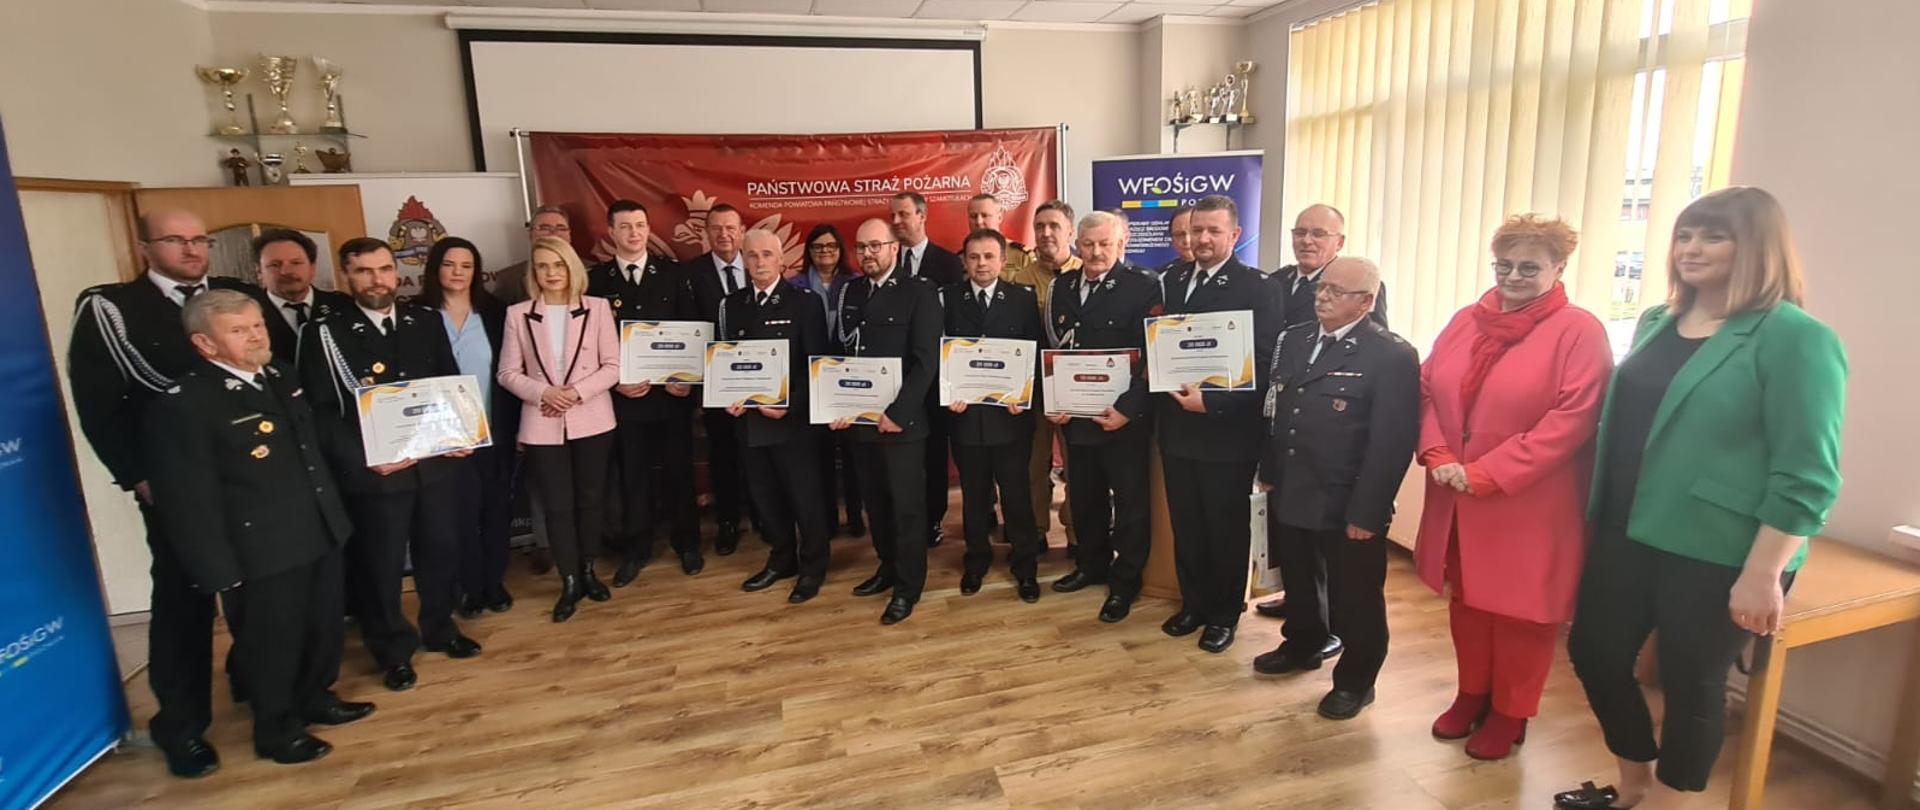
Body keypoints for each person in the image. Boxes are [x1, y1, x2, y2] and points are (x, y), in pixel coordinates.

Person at [1555, 188, 1847, 810]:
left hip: (1721, 549)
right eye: (1684, 235)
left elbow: (1808, 475)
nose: (1691, 248)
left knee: (1692, 683)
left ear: (1758, 247)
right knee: (1595, 653)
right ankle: (1634, 782)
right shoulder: (1657, 322)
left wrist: (1763, 574)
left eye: (1713, 236)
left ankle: (1669, 802)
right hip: (1627, 528)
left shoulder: (1795, 338)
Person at [67, 208, 273, 778]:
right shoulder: (113, 308)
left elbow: (267, 373)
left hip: (255, 475)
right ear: (145, 248)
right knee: (185, 598)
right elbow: (99, 404)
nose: (191, 250)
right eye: (175, 240)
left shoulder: (234, 295)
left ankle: (262, 688)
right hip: (175, 481)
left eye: (199, 239)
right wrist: (137, 475)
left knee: (261, 589)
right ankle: (181, 726)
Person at [143, 290, 373, 767]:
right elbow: (188, 499)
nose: (254, 336)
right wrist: (216, 569)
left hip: (317, 527)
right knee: (272, 644)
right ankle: (277, 729)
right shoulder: (187, 403)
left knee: (322, 627)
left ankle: (315, 697)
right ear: (205, 343)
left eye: (257, 325)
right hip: (260, 546)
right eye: (238, 330)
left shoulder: (280, 375)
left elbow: (309, 453)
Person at [1414, 215, 1613, 761]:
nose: (1513, 277)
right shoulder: (1465, 320)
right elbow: (1425, 389)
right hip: (1456, 493)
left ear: (1559, 268)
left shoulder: (1580, 331)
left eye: (1529, 268)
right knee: (1469, 604)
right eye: (1504, 265)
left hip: (1529, 501)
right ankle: (1471, 694)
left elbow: (1572, 419)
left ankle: (1511, 711)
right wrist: (1437, 453)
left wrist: (1485, 473)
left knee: (1523, 614)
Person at [300, 237, 481, 693]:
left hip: (433, 464)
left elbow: (448, 382)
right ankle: (392, 650)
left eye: (384, 269)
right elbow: (320, 412)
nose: (377, 280)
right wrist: (366, 459)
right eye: (364, 271)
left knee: (440, 550)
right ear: (346, 275)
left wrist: (462, 433)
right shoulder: (324, 332)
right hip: (377, 473)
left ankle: (440, 627)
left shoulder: (424, 320)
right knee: (380, 565)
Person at [1252, 256, 1419, 722]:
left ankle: (1356, 681)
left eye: (1336, 292)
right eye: (1322, 288)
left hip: (1346, 496)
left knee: (1356, 598)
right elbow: (1277, 408)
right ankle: (1303, 643)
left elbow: (1391, 443)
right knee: (1300, 579)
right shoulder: (1295, 338)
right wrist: (1270, 469)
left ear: (1365, 302)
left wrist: (1368, 513)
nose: (1322, 296)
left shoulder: (1390, 355)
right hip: (1294, 483)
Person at [1155, 195, 1284, 654]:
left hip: (1226, 432)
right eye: (1196, 230)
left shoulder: (1258, 288)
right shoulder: (1171, 280)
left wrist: (1212, 403)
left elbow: (1267, 365)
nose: (1202, 239)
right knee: (1187, 524)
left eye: (1213, 230)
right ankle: (1193, 605)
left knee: (1225, 529)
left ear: (1234, 235)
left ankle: (1224, 615)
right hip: (1176, 428)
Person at [1253, 203, 1390, 621]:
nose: (1307, 241)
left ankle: (1327, 622)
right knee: (1293, 546)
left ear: (1338, 241)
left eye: (1318, 234)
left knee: (1338, 563)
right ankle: (1301, 614)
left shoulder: (1363, 289)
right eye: (1300, 232)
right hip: (1286, 432)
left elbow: (1368, 358)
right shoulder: (1278, 282)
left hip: (1333, 447)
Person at [1044, 211, 1162, 623]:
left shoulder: (1144, 286)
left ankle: (1125, 581)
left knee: (1130, 504)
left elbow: (1153, 353)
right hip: (1078, 416)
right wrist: (1055, 399)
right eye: (1088, 244)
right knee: (1085, 497)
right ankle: (1091, 565)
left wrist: (1129, 409)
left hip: (1123, 418)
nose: (1095, 252)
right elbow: (1054, 349)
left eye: (1105, 244)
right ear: (1076, 244)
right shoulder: (1061, 287)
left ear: (1121, 244)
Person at [498, 236, 622, 622]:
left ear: (572, 268)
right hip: (542, 421)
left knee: (590, 501)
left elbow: (613, 366)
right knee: (557, 506)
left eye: (558, 265)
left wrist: (575, 393)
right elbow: (506, 372)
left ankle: (588, 571)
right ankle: (568, 580)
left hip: (592, 419)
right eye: (542, 266)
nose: (551, 273)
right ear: (533, 272)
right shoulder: (518, 314)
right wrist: (544, 393)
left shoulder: (597, 308)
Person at [585, 200, 703, 582]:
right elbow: (589, 344)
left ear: (649, 229)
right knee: (633, 476)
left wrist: (688, 379)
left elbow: (692, 329)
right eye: (625, 226)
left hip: (671, 396)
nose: (633, 233)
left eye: (639, 225)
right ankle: (637, 549)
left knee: (679, 472)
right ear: (611, 232)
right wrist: (614, 381)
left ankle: (688, 543)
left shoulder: (673, 274)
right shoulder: (596, 281)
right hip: (626, 398)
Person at [832, 218, 942, 624]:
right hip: (861, 421)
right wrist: (836, 404)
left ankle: (908, 586)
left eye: (875, 246)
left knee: (907, 507)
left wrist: (899, 413)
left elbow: (926, 361)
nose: (867, 254)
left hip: (901, 422)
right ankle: (887, 567)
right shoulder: (851, 291)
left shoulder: (920, 292)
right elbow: (841, 354)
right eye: (861, 247)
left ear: (894, 248)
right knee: (875, 502)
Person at [719, 230, 832, 603]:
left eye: (767, 254)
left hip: (792, 423)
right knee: (766, 499)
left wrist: (791, 404)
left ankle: (813, 566)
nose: (760, 261)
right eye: (752, 255)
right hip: (750, 424)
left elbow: (817, 365)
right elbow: (727, 361)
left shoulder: (805, 303)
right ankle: (782, 559)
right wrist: (728, 396)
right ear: (743, 260)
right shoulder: (732, 305)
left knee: (805, 499)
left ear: (782, 261)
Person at [416, 237, 520, 618]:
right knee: (459, 516)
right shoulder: (416, 314)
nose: (457, 272)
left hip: (494, 430)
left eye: (466, 265)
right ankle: (469, 588)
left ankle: (494, 582)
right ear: (435, 268)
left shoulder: (494, 312)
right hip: (444, 438)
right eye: (449, 264)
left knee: (496, 511)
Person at [943, 228, 1046, 603]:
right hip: (966, 418)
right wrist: (948, 394)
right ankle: (976, 560)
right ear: (964, 261)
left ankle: (1025, 566)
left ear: (1003, 261)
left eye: (989, 256)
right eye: (974, 257)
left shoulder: (1022, 298)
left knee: (1017, 496)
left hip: (1011, 418)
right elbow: (940, 353)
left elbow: (1035, 352)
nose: (981, 264)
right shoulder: (948, 299)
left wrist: (1026, 395)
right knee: (974, 497)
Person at [1003, 199, 1080, 554]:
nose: (1046, 233)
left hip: (1075, 389)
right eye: (1040, 226)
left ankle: (1077, 533)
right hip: (1032, 387)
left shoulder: (1085, 274)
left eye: (1054, 226)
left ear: (1070, 231)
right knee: (1033, 464)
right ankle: (1034, 530)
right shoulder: (1019, 280)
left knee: (1078, 464)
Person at [889, 191, 962, 546]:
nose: (896, 221)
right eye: (893, 216)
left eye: (903, 214)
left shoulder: (948, 264)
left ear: (922, 216)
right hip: (894, 378)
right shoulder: (886, 261)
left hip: (935, 377)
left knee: (933, 453)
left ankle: (933, 519)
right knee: (899, 456)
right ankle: (901, 520)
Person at [686, 203, 754, 556]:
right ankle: (728, 521)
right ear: (707, 233)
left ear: (742, 232)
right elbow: (687, 330)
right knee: (723, 453)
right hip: (715, 384)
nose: (724, 234)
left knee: (758, 452)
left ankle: (763, 515)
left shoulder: (758, 264)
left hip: (758, 381)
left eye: (730, 227)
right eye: (716, 228)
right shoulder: (691, 273)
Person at [792, 223, 864, 538]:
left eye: (831, 246)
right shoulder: (794, 286)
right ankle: (828, 519)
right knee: (819, 454)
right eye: (818, 247)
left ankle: (856, 515)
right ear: (809, 251)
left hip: (848, 377)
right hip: (811, 380)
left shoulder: (856, 283)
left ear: (840, 250)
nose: (825, 252)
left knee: (853, 452)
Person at [253, 228, 352, 365]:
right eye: (274, 265)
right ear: (259, 272)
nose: (286, 271)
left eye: (296, 263)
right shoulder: (246, 316)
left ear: (312, 268)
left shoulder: (344, 305)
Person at [491, 205, 572, 306]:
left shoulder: (590, 272)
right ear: (530, 234)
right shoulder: (509, 279)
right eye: (544, 228)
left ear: (570, 234)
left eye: (561, 228)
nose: (554, 233)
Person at [966, 192, 1033, 281]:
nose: (979, 222)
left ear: (1000, 217)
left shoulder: (1022, 256)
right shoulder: (961, 258)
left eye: (985, 215)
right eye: (973, 216)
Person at [1155, 205, 1196, 276]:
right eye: (1179, 234)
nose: (1187, 240)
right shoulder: (1162, 276)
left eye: (1193, 232)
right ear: (1172, 240)